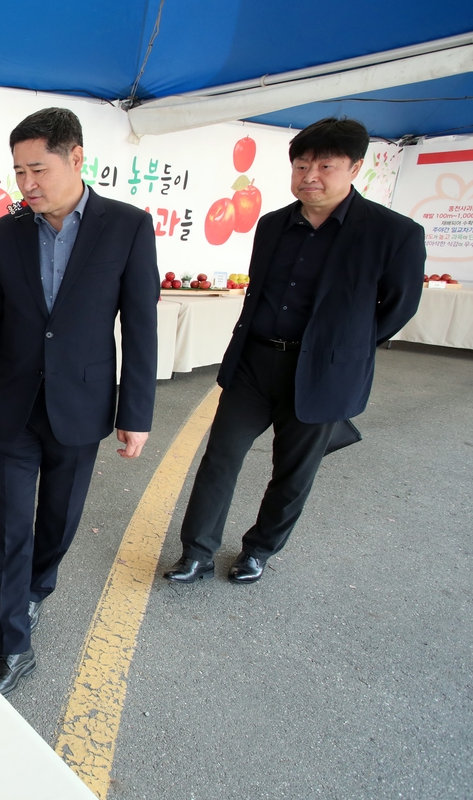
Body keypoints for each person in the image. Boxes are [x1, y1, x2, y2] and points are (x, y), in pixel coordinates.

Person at [0, 107, 159, 694]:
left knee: (58, 519)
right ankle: (14, 644)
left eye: (38, 169)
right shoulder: (5, 233)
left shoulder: (127, 225)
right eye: (18, 171)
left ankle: (37, 586)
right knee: (10, 524)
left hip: (82, 401)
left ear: (76, 159)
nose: (26, 184)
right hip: (14, 403)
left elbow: (142, 323)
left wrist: (137, 413)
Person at [164, 117, 424, 586]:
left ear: (355, 168)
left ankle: (259, 549)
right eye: (301, 164)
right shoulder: (271, 225)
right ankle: (197, 552)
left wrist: (343, 348)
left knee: (293, 470)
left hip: (322, 370)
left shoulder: (393, 233)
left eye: (325, 165)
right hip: (255, 361)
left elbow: (398, 307)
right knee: (221, 456)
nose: (310, 175)